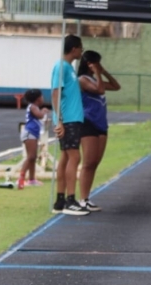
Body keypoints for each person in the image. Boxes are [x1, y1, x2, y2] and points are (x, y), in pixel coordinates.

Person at [51, 34, 89, 216]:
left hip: (73, 118)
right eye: (80, 47)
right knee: (75, 157)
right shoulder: (61, 67)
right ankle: (70, 200)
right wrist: (59, 120)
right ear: (74, 48)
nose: (82, 50)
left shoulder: (69, 68)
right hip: (68, 119)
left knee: (66, 158)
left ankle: (60, 200)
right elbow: (55, 94)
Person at [77, 50, 120, 212]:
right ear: (90, 64)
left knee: (95, 162)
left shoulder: (96, 79)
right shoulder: (82, 80)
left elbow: (116, 86)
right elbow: (100, 90)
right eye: (97, 63)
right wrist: (97, 74)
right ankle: (82, 199)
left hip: (101, 123)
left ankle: (87, 198)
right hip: (88, 122)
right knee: (88, 162)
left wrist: (103, 72)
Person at [17, 89, 47, 190]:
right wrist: (43, 111)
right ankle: (21, 177)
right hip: (29, 133)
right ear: (38, 99)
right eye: (42, 96)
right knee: (31, 157)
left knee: (33, 157)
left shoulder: (35, 106)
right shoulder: (33, 107)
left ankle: (31, 179)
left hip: (33, 134)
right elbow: (39, 115)